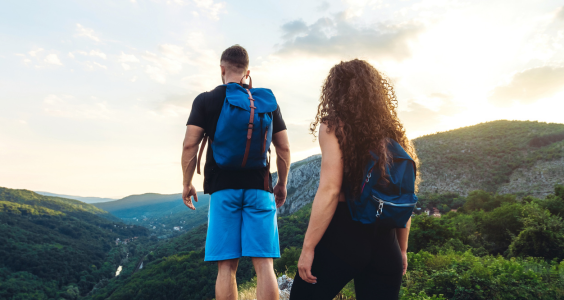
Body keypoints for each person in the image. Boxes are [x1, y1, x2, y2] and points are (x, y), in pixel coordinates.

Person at [290, 59, 421, 300]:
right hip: (386, 242)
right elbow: (404, 198)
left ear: (335, 91)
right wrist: (402, 250)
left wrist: (308, 248)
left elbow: (330, 190)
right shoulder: (394, 134)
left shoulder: (334, 126)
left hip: (344, 236)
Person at [180, 44, 291, 300]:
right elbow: (283, 148)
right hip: (261, 189)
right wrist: (282, 183)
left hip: (223, 190)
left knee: (227, 267)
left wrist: (187, 183)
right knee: (264, 264)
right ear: (247, 72)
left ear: (222, 69)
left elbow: (189, 145)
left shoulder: (206, 100)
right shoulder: (266, 101)